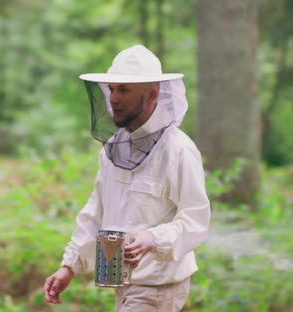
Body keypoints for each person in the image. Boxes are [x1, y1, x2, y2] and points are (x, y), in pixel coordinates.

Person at [43, 45, 211, 311]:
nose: (113, 99)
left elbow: (196, 219)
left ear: (152, 94)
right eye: (111, 89)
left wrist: (153, 239)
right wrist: (70, 266)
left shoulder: (178, 150)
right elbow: (96, 211)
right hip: (123, 286)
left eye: (124, 90)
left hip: (158, 288)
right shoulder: (114, 148)